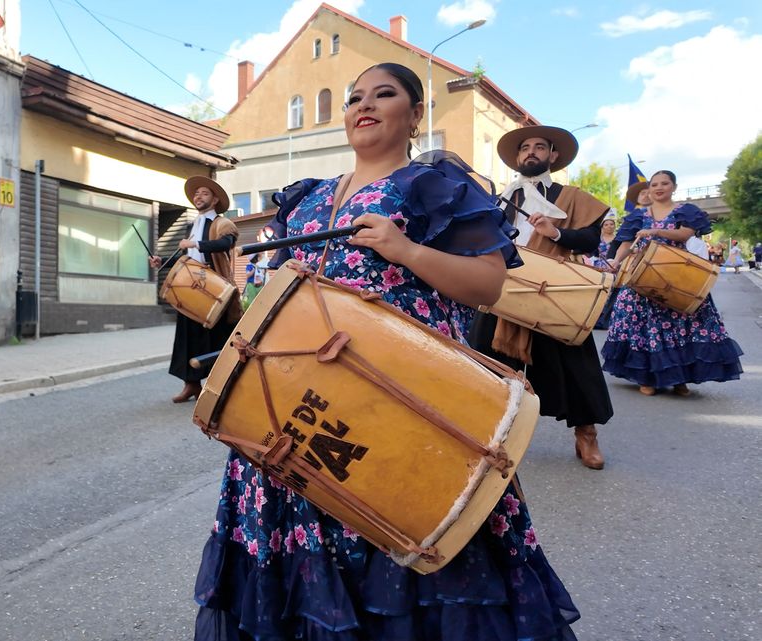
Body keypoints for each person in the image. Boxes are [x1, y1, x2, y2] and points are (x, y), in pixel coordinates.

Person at [193, 62, 579, 641]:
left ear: (415, 115)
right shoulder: (306, 199)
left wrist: (406, 251)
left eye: (384, 94)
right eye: (354, 99)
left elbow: (490, 285)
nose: (363, 105)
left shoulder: (437, 187)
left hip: (401, 401)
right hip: (299, 407)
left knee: (411, 529)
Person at [466, 125, 613, 471]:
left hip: (553, 287)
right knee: (486, 363)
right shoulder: (500, 197)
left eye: (538, 147)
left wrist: (557, 232)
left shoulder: (571, 196)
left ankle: (586, 433)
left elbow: (592, 240)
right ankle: (491, 435)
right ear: (518, 158)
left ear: (553, 155)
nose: (530, 152)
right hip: (506, 286)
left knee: (576, 365)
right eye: (524, 148)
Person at [602, 170, 743, 396]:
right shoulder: (637, 216)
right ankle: (645, 378)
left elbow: (685, 235)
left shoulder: (685, 211)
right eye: (655, 184)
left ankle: (680, 380)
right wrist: (616, 262)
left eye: (664, 183)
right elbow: (625, 243)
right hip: (643, 275)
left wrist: (654, 230)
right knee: (639, 324)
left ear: (673, 187)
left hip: (677, 274)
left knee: (683, 325)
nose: (659, 187)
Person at [149, 176, 241, 403]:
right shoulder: (193, 225)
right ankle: (190, 384)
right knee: (186, 336)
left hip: (214, 288)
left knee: (215, 338)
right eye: (196, 194)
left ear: (215, 199)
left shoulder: (221, 224)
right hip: (192, 288)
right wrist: (163, 262)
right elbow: (188, 258)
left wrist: (196, 244)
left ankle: (219, 386)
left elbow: (226, 244)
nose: (198, 197)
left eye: (204, 193)